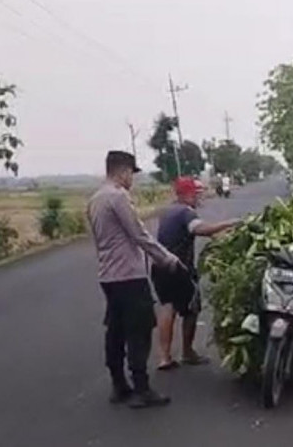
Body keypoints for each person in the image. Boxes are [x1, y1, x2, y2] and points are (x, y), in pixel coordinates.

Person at [87, 150, 181, 409]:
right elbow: (139, 234)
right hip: (128, 274)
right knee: (138, 330)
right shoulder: (118, 197)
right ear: (123, 171)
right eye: (131, 174)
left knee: (115, 330)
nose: (132, 179)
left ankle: (119, 385)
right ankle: (142, 389)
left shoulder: (95, 199)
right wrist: (167, 259)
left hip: (108, 275)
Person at [152, 177, 240, 370]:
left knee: (168, 307)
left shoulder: (167, 210)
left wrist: (219, 237)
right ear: (187, 194)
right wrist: (228, 224)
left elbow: (191, 232)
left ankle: (164, 357)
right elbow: (199, 229)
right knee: (192, 308)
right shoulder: (186, 212)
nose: (199, 198)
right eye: (196, 194)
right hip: (180, 268)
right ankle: (187, 352)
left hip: (160, 265)